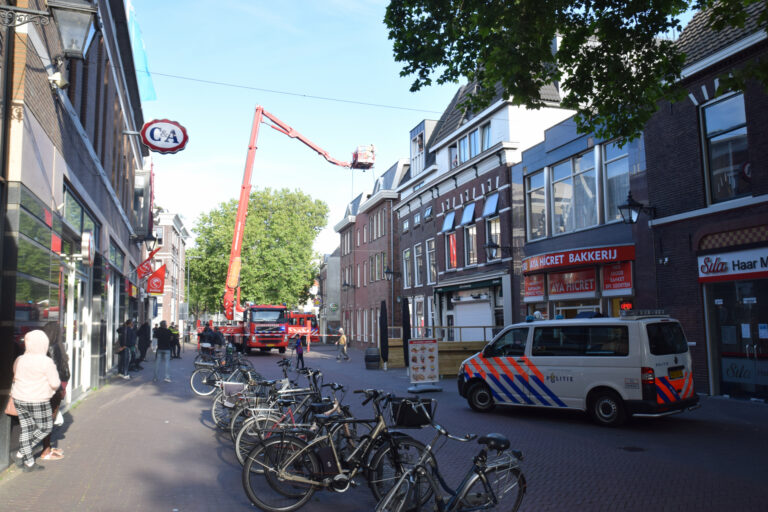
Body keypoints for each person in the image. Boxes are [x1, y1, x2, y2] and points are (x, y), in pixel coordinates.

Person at [10, 330, 61, 472]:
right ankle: (20, 453)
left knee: (27, 428)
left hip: (20, 398)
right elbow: (55, 383)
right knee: (45, 427)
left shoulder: (20, 359)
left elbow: (15, 376)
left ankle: (29, 463)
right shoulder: (46, 361)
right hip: (38, 399)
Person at [39, 322, 69, 462]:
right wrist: (61, 388)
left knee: (47, 418)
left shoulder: (41, 348)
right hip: (54, 387)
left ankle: (48, 447)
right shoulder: (55, 347)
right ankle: (46, 450)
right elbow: (59, 371)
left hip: (44, 387)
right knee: (49, 418)